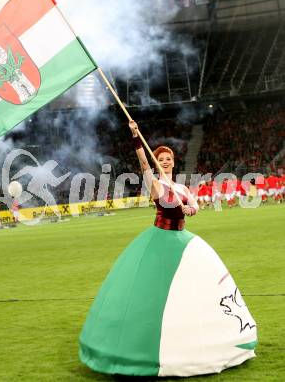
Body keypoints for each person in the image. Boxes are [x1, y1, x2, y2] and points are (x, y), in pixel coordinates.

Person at [79, 120, 257, 377]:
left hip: (182, 240)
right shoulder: (155, 185)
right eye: (160, 158)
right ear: (157, 162)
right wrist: (136, 136)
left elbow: (195, 207)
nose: (164, 161)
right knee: (155, 292)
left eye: (168, 158)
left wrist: (189, 209)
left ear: (173, 162)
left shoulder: (182, 188)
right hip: (159, 239)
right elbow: (142, 163)